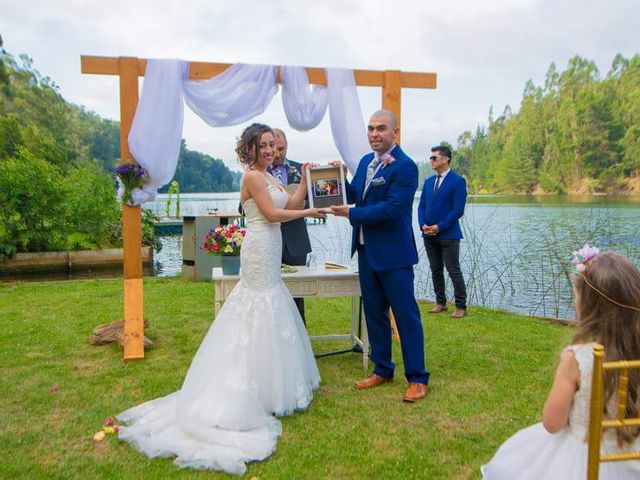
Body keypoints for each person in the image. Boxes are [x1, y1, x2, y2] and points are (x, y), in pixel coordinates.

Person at [116, 123, 327, 475]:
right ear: (251, 148)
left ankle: (271, 386)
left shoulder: (269, 176)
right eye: (264, 145)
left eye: (273, 145)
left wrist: (305, 181)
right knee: (257, 305)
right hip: (259, 247)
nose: (271, 150)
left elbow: (288, 201)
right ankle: (248, 388)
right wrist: (308, 213)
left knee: (271, 305)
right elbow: (275, 215)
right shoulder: (253, 178)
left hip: (271, 249)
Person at [482, 246, 640, 479]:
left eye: (576, 296)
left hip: (581, 457)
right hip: (630, 453)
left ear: (588, 307)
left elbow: (552, 422)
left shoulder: (577, 359)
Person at [330, 109, 430, 403]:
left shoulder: (406, 167)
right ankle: (383, 368)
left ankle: (418, 378)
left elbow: (392, 210)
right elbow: (355, 195)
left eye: (381, 129)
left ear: (395, 133)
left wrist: (352, 213)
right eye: (371, 128)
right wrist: (338, 179)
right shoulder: (363, 162)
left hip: (394, 255)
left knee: (405, 316)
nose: (375, 133)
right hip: (365, 251)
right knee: (374, 313)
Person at [417, 145, 468, 318]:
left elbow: (458, 210)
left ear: (445, 159)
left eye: (434, 158)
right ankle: (441, 303)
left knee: (453, 270)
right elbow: (421, 206)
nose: (431, 160)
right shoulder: (429, 182)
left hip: (448, 234)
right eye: (430, 158)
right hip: (428, 234)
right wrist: (423, 224)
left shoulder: (457, 181)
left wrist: (440, 227)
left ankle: (461, 307)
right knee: (435, 269)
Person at [269, 128, 312, 325]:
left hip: (295, 241)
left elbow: (314, 202)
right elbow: (243, 207)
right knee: (269, 292)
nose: (277, 154)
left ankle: (299, 341)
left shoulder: (300, 170)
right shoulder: (257, 172)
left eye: (281, 149)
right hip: (268, 239)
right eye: (274, 148)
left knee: (297, 294)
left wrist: (305, 204)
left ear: (287, 147)